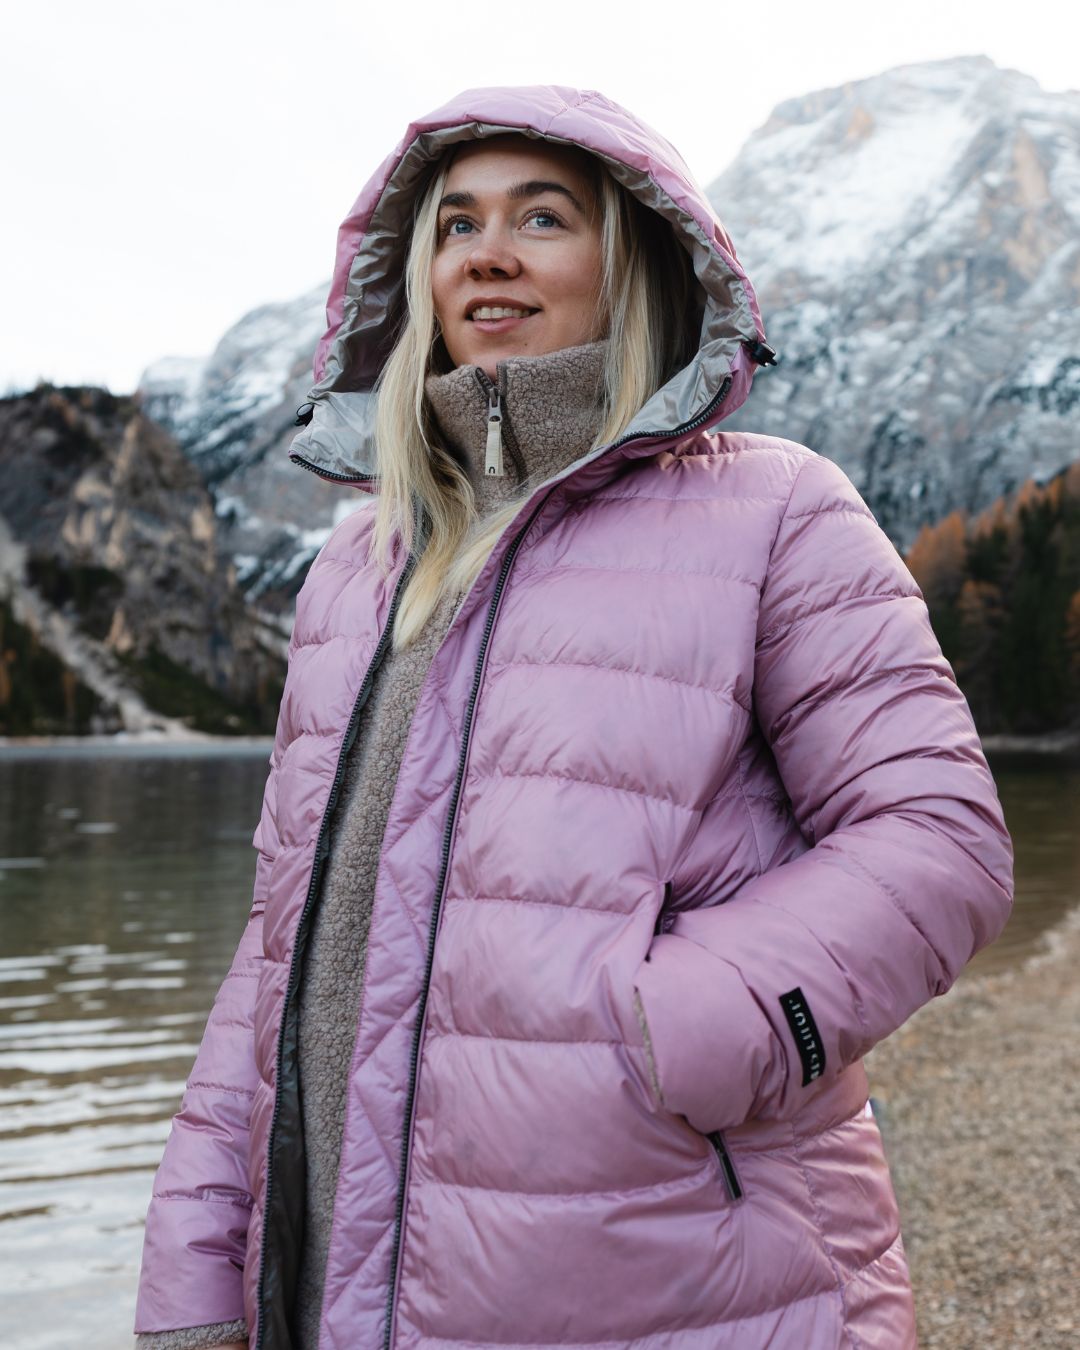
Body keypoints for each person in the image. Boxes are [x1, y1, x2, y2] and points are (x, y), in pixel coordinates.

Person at [133, 85, 1014, 1350]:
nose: (486, 251)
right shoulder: (358, 568)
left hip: (679, 1277)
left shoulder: (775, 514)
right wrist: (197, 1266)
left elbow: (940, 840)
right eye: (455, 224)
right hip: (333, 1283)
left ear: (633, 261)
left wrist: (682, 1037)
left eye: (542, 218)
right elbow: (279, 945)